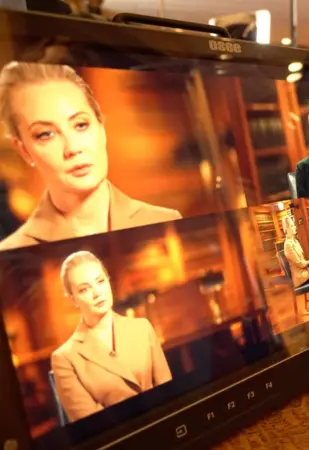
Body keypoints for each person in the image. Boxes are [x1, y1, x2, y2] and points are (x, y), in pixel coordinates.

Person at [0, 62, 182, 251]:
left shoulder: (164, 221)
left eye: (81, 125)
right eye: (46, 134)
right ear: (24, 151)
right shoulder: (13, 250)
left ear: (101, 127)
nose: (72, 148)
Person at [50, 251, 172, 423]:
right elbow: (94, 425)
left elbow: (168, 394)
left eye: (100, 281)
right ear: (73, 300)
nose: (97, 293)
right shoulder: (64, 358)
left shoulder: (142, 328)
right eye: (84, 289)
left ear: (108, 281)